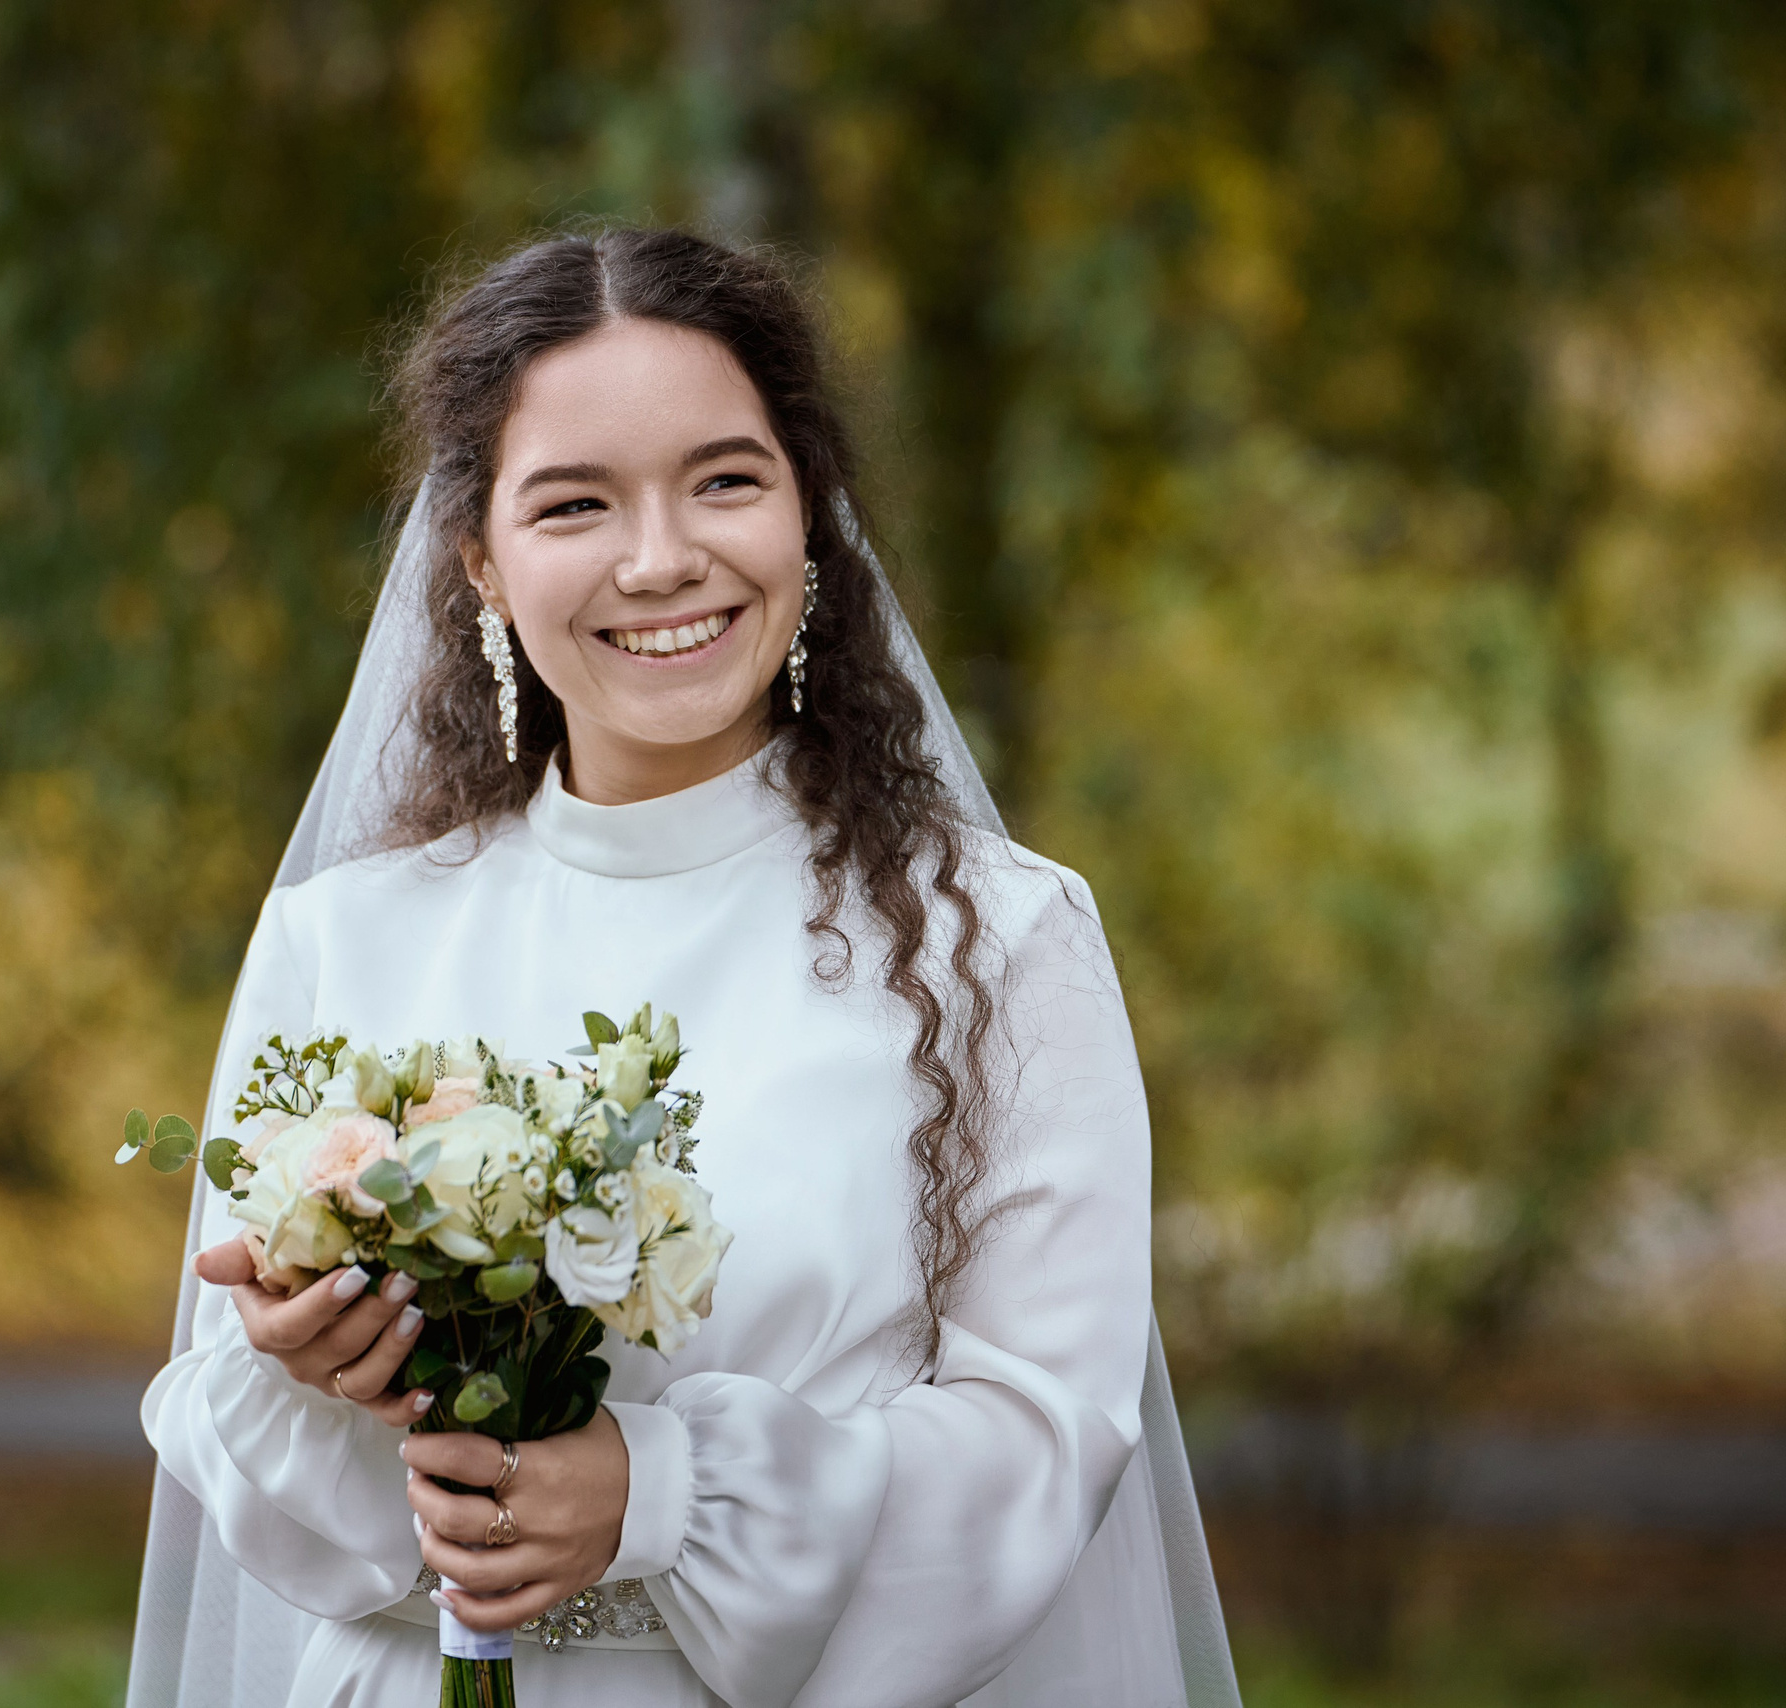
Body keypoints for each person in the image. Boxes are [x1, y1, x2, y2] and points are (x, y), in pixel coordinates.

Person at [128, 227, 1235, 1708]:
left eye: (725, 479)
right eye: (575, 502)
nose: (661, 559)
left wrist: (658, 1496)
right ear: (483, 564)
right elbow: (231, 1445)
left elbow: (1043, 1448)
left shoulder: (1000, 940)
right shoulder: (347, 937)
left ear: (810, 517)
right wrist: (305, 1369)